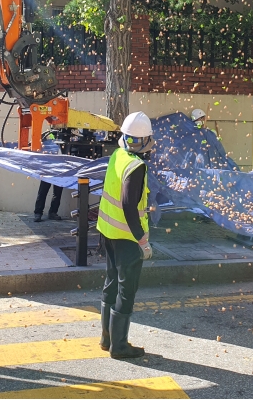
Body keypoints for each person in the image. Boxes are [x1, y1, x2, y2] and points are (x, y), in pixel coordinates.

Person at [97, 111, 154, 360]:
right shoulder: (137, 166)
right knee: (126, 290)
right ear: (145, 141)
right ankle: (119, 346)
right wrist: (142, 239)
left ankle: (106, 338)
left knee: (111, 282)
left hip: (107, 232)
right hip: (127, 238)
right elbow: (130, 206)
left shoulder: (117, 156)